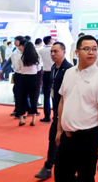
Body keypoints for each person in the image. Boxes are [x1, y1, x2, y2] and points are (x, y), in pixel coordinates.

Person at [55, 35, 98, 181]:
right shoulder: (69, 72)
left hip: (88, 138)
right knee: (61, 176)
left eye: (94, 49)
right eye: (86, 49)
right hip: (67, 136)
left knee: (85, 177)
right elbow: (62, 102)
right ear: (77, 52)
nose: (91, 52)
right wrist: (59, 130)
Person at [35, 42, 73, 181]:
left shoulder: (69, 69)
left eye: (56, 51)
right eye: (51, 51)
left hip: (66, 109)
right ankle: (52, 165)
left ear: (64, 52)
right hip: (56, 106)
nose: (52, 54)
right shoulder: (53, 67)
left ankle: (49, 166)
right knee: (55, 137)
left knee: (56, 137)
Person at [18, 41, 43, 126]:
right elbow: (39, 69)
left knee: (22, 99)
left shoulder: (21, 57)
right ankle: (33, 119)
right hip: (34, 78)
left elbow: (17, 68)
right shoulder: (37, 57)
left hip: (23, 78)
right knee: (34, 99)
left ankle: (21, 119)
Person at [39, 36, 55, 123]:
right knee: (55, 95)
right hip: (55, 72)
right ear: (50, 41)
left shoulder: (41, 50)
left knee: (46, 96)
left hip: (46, 73)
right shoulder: (54, 49)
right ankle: (56, 115)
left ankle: (47, 116)